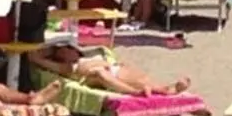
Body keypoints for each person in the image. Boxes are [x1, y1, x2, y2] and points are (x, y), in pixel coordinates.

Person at [30, 43, 192, 96]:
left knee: (134, 74)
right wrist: (48, 50)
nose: (67, 50)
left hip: (113, 69)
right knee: (101, 73)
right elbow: (35, 58)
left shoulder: (87, 57)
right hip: (99, 77)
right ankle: (138, 92)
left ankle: (165, 88)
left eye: (68, 48)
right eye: (62, 51)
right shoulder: (67, 67)